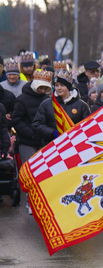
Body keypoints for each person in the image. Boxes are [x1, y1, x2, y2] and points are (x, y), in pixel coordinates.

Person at [11, 69, 52, 214]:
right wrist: (31, 134)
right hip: (27, 141)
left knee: (45, 172)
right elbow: (17, 120)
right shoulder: (22, 99)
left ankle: (44, 201)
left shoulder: (49, 99)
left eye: (44, 88)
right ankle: (30, 201)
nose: (42, 90)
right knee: (31, 172)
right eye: (40, 87)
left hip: (45, 141)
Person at [32, 62, 91, 143]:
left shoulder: (81, 105)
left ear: (69, 87)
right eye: (56, 85)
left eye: (62, 85)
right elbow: (36, 125)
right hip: (51, 145)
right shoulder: (47, 104)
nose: (59, 88)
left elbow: (88, 126)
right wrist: (52, 133)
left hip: (74, 144)